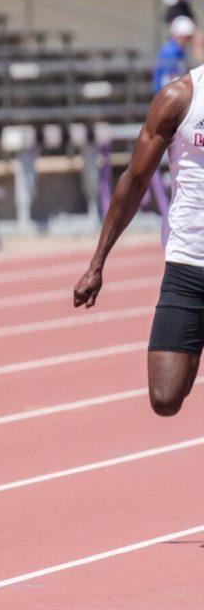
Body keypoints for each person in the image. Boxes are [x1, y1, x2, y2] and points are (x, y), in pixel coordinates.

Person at [73, 62, 204, 418]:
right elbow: (135, 180)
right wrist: (96, 264)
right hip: (188, 263)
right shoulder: (180, 97)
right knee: (165, 397)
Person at [154, 16, 196, 93]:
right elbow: (173, 77)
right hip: (167, 93)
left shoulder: (180, 50)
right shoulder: (170, 50)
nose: (189, 40)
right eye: (187, 37)